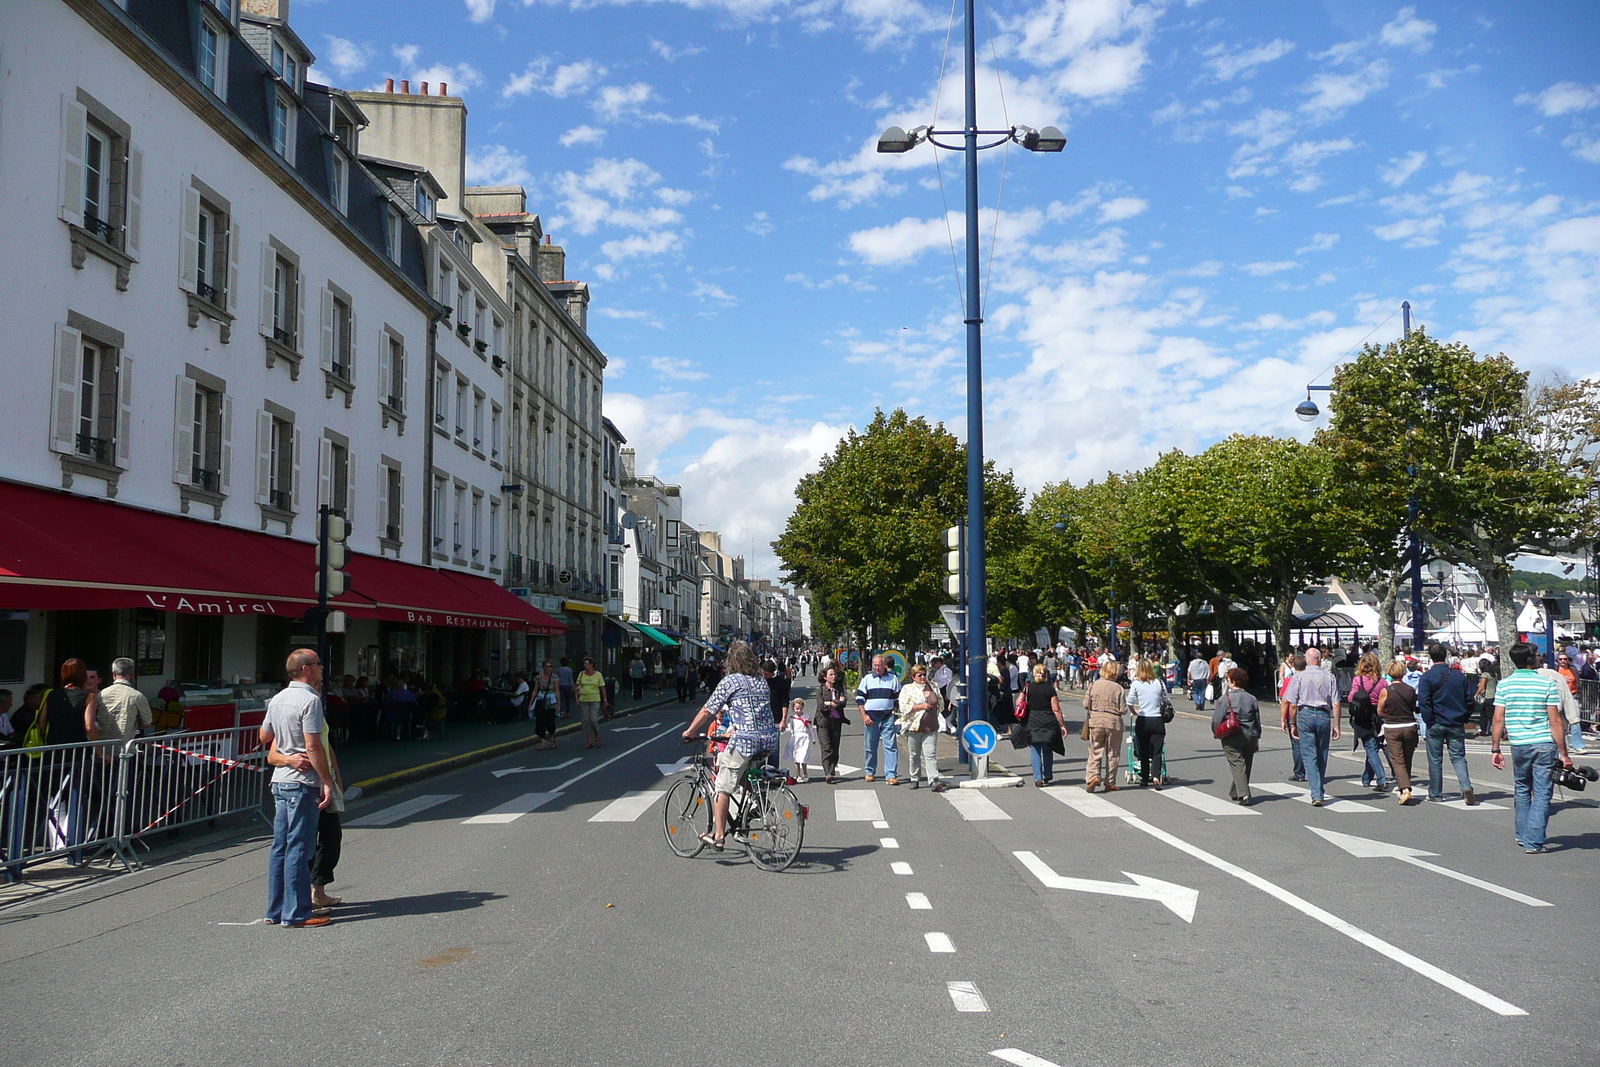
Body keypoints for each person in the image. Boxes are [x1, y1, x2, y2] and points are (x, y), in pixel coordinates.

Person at [680, 641, 778, 851]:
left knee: (722, 786)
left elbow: (708, 709)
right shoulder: (760, 680)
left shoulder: (730, 681)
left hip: (746, 741)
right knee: (742, 775)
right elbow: (755, 710)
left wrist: (690, 731)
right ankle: (760, 801)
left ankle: (718, 835)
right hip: (769, 739)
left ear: (731, 662)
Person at [260, 649, 333, 928]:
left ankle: (275, 909)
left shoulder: (278, 698)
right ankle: (297, 913)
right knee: (300, 849)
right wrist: (327, 781)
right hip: (301, 782)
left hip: (280, 779)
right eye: (317, 664)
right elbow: (313, 745)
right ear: (305, 669)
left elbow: (265, 735)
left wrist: (285, 744)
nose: (321, 668)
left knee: (280, 847)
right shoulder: (310, 700)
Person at [1493, 642, 1576, 853]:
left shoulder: (1505, 685)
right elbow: (1555, 721)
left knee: (1521, 788)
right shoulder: (1546, 684)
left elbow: (1498, 719)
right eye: (1538, 655)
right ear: (1531, 659)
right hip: (1544, 743)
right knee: (1541, 793)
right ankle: (1533, 840)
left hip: (1519, 743)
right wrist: (1564, 753)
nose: (1540, 658)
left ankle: (1522, 834)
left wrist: (1496, 749)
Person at [1416, 642, 1476, 805]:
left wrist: (1428, 719)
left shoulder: (1427, 677)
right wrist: (1464, 716)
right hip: (1455, 721)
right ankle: (1466, 786)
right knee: (1458, 757)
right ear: (1446, 656)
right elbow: (1470, 700)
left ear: (1430, 657)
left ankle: (1436, 792)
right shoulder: (1459, 676)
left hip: (1435, 722)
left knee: (1435, 759)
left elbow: (1424, 701)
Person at [1282, 647, 1342, 806]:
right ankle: (1319, 788)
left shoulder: (1298, 677)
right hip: (1323, 714)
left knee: (1309, 754)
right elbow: (1336, 703)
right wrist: (1337, 725)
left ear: (1307, 660)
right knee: (1322, 753)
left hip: (1305, 714)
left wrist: (1292, 723)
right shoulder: (1329, 677)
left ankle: (1316, 793)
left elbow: (1292, 704)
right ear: (1320, 659)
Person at [1213, 667, 1261, 804]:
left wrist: (1216, 732)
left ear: (1233, 682)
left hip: (1232, 735)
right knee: (1246, 764)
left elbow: (1217, 719)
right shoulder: (1252, 698)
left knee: (1237, 764)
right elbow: (1257, 720)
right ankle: (1235, 791)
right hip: (1250, 735)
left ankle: (1244, 794)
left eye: (1228, 680)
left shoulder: (1225, 699)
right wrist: (1257, 738)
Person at [1376, 659, 1420, 804]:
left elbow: (1380, 710)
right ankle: (1404, 788)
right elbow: (1413, 707)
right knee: (1407, 759)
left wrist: (1389, 713)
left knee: (1397, 760)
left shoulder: (1386, 691)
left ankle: (1405, 788)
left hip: (1393, 727)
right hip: (1410, 726)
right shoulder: (1410, 689)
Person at [896, 663, 945, 789]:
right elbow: (904, 708)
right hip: (914, 727)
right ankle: (914, 778)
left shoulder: (933, 686)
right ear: (913, 677)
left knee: (930, 754)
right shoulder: (907, 689)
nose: (923, 677)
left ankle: (933, 779)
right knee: (914, 755)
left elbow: (940, 703)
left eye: (924, 675)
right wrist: (920, 707)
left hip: (931, 726)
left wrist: (934, 712)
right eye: (920, 675)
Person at [856, 655, 902, 784]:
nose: (877, 668)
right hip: (871, 717)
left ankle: (891, 774)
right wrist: (864, 716)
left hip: (887, 716)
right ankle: (870, 771)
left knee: (891, 746)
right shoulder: (867, 679)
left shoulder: (893, 679)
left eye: (879, 665)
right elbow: (860, 699)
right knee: (870, 746)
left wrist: (894, 711)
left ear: (884, 665)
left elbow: (897, 697)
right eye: (875, 665)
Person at [1346, 653, 1389, 793]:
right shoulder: (1382, 682)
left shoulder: (1358, 680)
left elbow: (1351, 697)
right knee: (1373, 748)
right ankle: (1366, 778)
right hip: (1378, 716)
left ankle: (1382, 779)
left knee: (1370, 748)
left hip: (1362, 717)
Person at [1019, 663, 1066, 787]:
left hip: (1033, 719)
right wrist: (1062, 725)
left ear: (1033, 674)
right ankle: (1048, 773)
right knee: (1047, 747)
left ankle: (1038, 778)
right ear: (1046, 675)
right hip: (1048, 720)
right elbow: (1056, 709)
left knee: (1035, 749)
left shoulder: (1028, 687)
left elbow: (1019, 701)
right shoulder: (1049, 689)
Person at [1082, 660, 1126, 792]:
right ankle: (1110, 781)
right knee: (1113, 753)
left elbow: (1085, 704)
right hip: (1113, 721)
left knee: (1095, 750)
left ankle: (1093, 776)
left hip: (1096, 720)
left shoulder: (1094, 685)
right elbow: (1123, 709)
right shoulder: (1119, 688)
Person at [1126, 659, 1168, 789]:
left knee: (1143, 749)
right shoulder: (1159, 683)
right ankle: (1156, 776)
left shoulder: (1136, 684)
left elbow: (1130, 701)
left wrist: (1135, 711)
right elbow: (1166, 699)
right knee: (1157, 751)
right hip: (1157, 719)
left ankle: (1144, 777)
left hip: (1143, 719)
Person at [95, 658, 153, 743]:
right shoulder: (138, 696)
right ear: (132, 674)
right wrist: (131, 727)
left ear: (114, 674)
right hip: (126, 746)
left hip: (102, 747)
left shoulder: (101, 694)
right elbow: (147, 722)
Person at [814, 665, 849, 783]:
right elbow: (821, 706)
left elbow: (843, 703)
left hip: (836, 721)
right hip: (823, 722)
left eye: (834, 675)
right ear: (825, 677)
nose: (833, 677)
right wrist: (834, 703)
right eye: (831, 675)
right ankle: (828, 773)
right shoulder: (821, 690)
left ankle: (832, 769)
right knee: (826, 747)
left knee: (835, 747)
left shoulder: (839, 689)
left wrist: (832, 703)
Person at [575, 657, 608, 748]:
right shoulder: (581, 674)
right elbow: (576, 686)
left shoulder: (598, 675)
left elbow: (602, 688)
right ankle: (589, 740)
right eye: (584, 664)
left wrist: (605, 700)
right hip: (584, 700)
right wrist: (577, 698)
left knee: (594, 719)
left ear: (591, 664)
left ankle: (597, 736)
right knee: (585, 720)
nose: (585, 665)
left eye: (586, 664)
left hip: (595, 699)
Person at [782, 698, 813, 782]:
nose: (798, 710)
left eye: (800, 708)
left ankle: (805, 773)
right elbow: (789, 728)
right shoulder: (792, 718)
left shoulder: (807, 717)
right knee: (796, 757)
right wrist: (783, 731)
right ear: (793, 708)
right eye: (796, 708)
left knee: (803, 757)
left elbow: (810, 729)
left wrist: (813, 738)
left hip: (804, 738)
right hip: (795, 738)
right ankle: (798, 775)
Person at [532, 662, 559, 749]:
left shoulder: (554, 677)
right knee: (540, 721)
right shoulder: (538, 678)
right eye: (546, 666)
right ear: (543, 667)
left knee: (550, 721)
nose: (548, 668)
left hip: (551, 701)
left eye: (550, 666)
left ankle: (552, 738)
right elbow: (535, 690)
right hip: (541, 700)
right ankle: (542, 742)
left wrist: (559, 704)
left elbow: (557, 691)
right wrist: (531, 703)